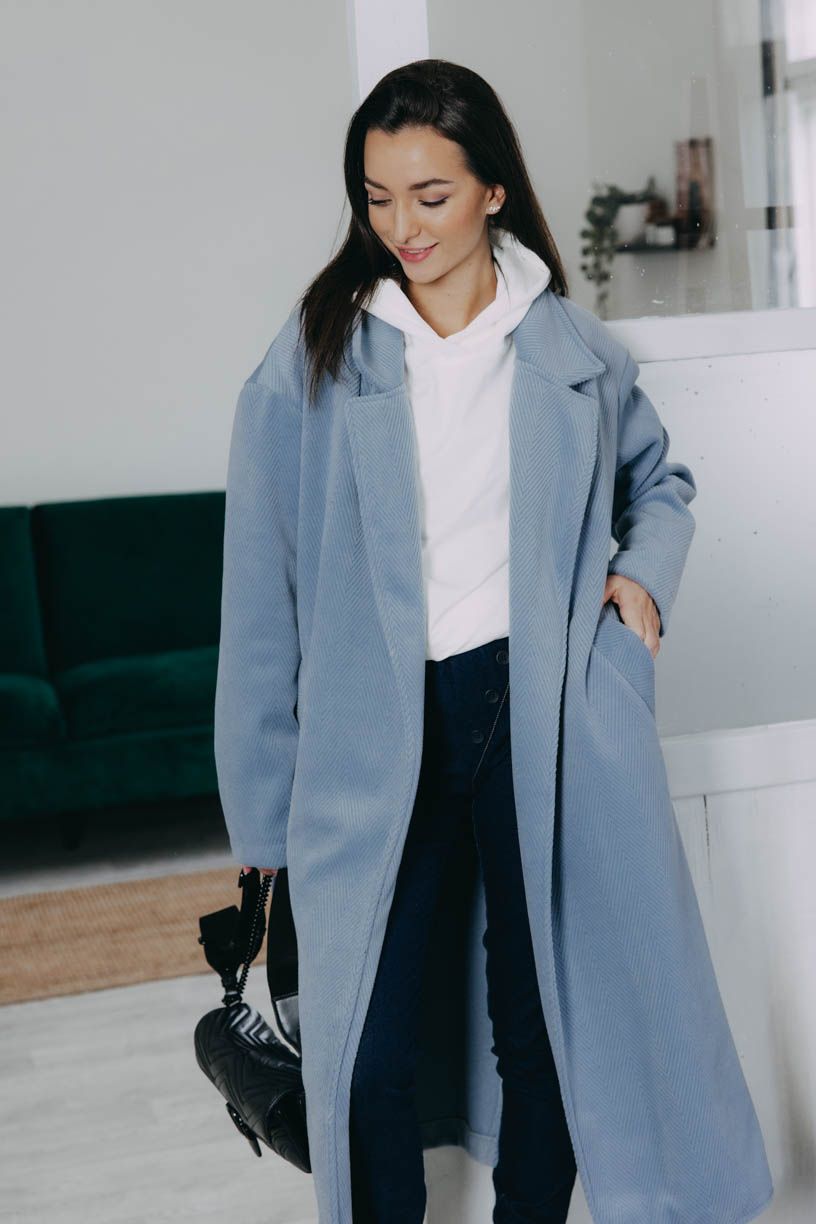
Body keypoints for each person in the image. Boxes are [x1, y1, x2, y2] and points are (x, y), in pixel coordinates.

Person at [216, 58, 774, 1224]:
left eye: (430, 195)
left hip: (541, 715)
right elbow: (260, 594)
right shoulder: (317, 354)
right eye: (377, 197)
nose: (401, 226)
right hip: (374, 734)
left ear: (493, 191)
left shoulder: (569, 349)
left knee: (544, 1019)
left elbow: (660, 486)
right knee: (364, 1040)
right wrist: (261, 817)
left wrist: (640, 585)